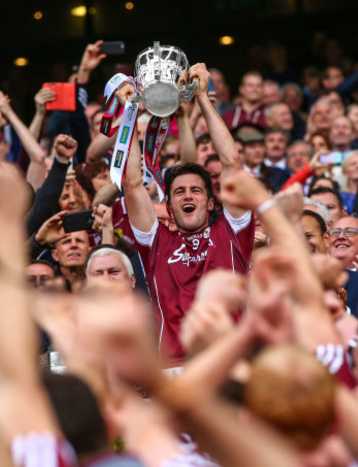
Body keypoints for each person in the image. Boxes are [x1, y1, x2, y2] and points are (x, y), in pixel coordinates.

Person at [123, 63, 255, 368]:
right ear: (168, 207)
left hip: (230, 366)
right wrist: (128, 112)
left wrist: (203, 99)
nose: (187, 196)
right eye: (179, 192)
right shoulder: (155, 242)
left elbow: (231, 161)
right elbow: (131, 183)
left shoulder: (232, 233)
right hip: (174, 372)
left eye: (196, 190)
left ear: (210, 203)